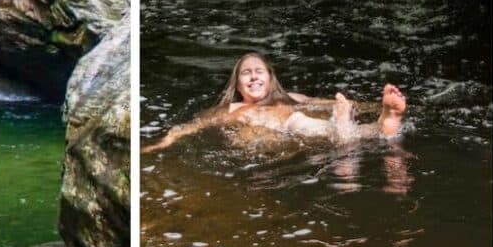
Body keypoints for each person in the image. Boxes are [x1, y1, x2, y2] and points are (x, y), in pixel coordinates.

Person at [140, 52, 407, 153]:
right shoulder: (231, 108)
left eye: (259, 72)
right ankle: (347, 127)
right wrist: (163, 143)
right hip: (270, 136)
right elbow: (194, 125)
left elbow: (325, 102)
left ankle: (385, 120)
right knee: (310, 125)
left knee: (323, 125)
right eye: (246, 73)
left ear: (271, 78)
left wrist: (370, 105)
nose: (253, 76)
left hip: (296, 127)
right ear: (237, 84)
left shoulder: (291, 98)